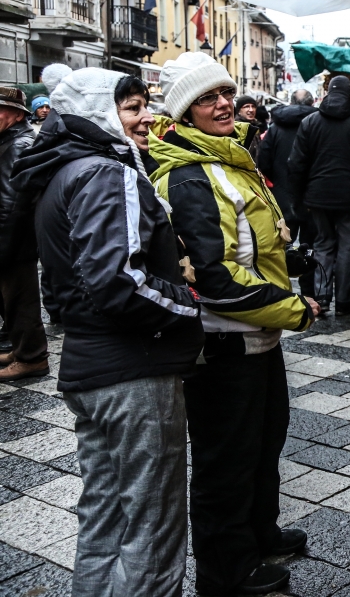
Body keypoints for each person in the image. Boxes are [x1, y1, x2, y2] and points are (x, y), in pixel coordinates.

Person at [11, 68, 203, 596]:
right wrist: (190, 307)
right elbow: (118, 283)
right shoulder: (104, 172)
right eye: (132, 108)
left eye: (145, 105)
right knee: (152, 527)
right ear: (97, 113)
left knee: (106, 516)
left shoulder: (62, 170)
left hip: (90, 367)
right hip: (133, 373)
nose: (147, 118)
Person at [151, 52, 317, 597]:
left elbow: (250, 244)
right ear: (185, 113)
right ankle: (227, 571)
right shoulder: (190, 176)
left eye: (225, 92)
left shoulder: (232, 158)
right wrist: (294, 309)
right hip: (223, 342)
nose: (223, 104)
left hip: (258, 334)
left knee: (264, 442)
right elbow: (215, 277)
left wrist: (288, 262)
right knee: (226, 460)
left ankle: (259, 533)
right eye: (207, 98)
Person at [288, 75, 350, 316]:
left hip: (318, 196)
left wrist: (297, 198)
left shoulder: (309, 123)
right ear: (349, 95)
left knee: (323, 245)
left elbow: (296, 164)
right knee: (349, 248)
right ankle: (344, 301)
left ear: (328, 93)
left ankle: (322, 298)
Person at [0, 86, 48, 381]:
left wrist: (3, 247)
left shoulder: (19, 144)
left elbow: (12, 203)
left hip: (14, 238)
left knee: (20, 300)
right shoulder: (10, 139)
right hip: (13, 237)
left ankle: (31, 357)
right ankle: (21, 350)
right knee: (12, 299)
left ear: (17, 115)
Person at [256, 89, 318, 297]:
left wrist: (277, 181)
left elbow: (263, 161)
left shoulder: (276, 128)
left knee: (281, 245)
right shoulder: (316, 124)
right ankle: (309, 294)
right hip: (310, 196)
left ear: (291, 102)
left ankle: (281, 292)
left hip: (282, 195)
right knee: (310, 246)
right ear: (312, 103)